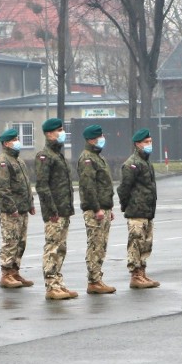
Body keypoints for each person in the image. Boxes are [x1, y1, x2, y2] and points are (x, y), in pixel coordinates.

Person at [34, 118, 77, 300]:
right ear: (49, 133)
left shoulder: (58, 155)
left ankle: (59, 283)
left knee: (61, 249)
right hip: (55, 212)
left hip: (64, 209)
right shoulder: (45, 156)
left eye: (62, 129)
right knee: (52, 248)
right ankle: (51, 286)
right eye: (59, 130)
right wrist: (52, 211)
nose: (62, 133)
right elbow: (42, 186)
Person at [117, 128, 160, 289]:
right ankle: (135, 275)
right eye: (146, 142)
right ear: (138, 144)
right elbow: (123, 189)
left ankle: (142, 272)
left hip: (147, 211)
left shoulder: (145, 162)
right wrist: (127, 206)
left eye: (150, 141)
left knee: (145, 244)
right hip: (136, 211)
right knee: (135, 242)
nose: (149, 144)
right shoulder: (132, 164)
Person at [0, 128, 35, 289]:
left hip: (22, 208)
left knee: (20, 242)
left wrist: (30, 204)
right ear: (6, 143)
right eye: (15, 139)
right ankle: (6, 274)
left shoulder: (18, 160)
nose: (17, 142)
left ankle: (14, 271)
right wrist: (11, 207)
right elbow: (3, 188)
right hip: (12, 210)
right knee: (10, 241)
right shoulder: (3, 161)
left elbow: (25, 184)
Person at [77, 124, 116, 294]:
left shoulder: (96, 157)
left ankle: (97, 278)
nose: (102, 139)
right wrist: (97, 208)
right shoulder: (88, 159)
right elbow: (88, 186)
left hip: (103, 208)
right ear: (92, 139)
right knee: (95, 244)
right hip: (95, 210)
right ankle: (93, 280)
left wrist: (107, 207)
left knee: (101, 245)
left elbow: (102, 185)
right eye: (99, 136)